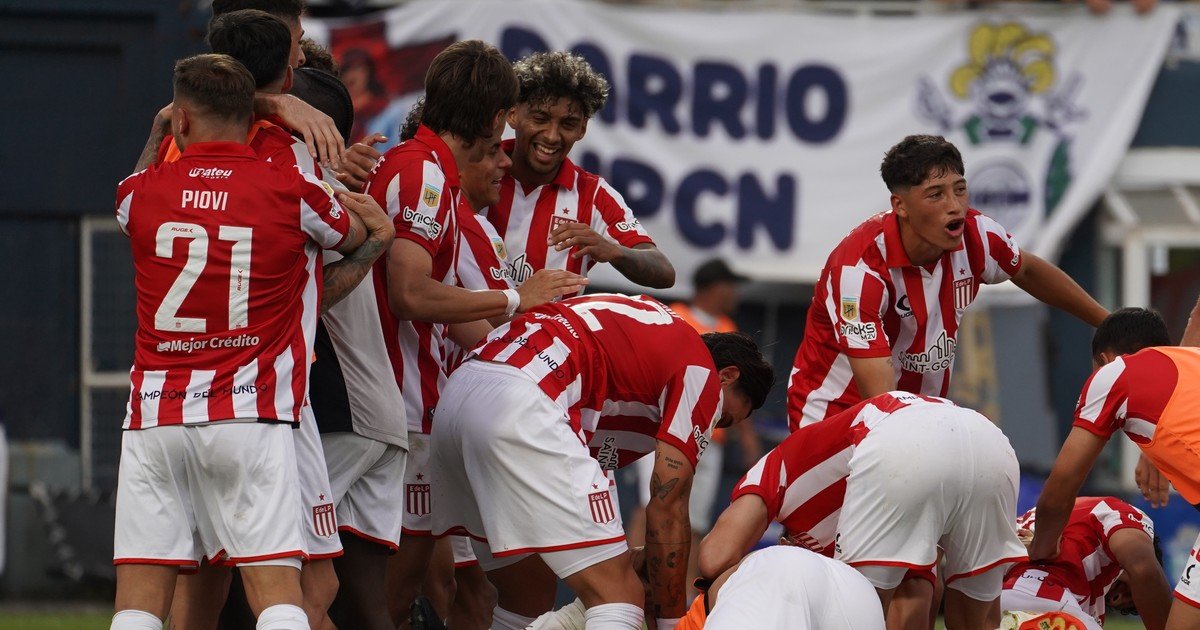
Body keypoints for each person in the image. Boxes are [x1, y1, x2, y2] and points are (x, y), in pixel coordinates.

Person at [109, 53, 375, 630]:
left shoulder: (140, 193)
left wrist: (160, 129)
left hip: (155, 418)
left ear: (180, 121)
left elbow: (130, 196)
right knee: (278, 597)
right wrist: (377, 238)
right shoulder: (289, 191)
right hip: (250, 417)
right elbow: (356, 232)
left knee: (137, 607)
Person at [360, 40, 587, 627]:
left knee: (429, 588)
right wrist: (518, 297)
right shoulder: (425, 175)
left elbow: (457, 319)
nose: (508, 151)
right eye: (512, 117)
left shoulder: (424, 170)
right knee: (390, 590)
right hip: (400, 408)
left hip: (419, 408)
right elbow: (409, 295)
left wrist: (515, 376)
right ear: (494, 117)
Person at [430, 293, 775, 630]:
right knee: (620, 597)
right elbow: (668, 507)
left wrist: (635, 558)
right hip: (528, 401)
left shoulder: (645, 336)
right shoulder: (701, 371)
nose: (712, 425)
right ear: (727, 377)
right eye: (722, 418)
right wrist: (673, 621)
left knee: (526, 600)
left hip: (462, 394)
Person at [786, 134, 1108, 432]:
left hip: (916, 417)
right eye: (935, 195)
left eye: (960, 189)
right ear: (900, 206)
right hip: (833, 420)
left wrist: (1107, 324)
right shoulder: (858, 271)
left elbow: (1028, 272)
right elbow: (880, 399)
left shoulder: (978, 235)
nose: (954, 206)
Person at [699, 391, 1027, 629]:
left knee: (855, 611)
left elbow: (713, 558)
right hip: (990, 440)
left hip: (902, 442)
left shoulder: (782, 464)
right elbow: (915, 605)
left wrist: (757, 572)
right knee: (978, 622)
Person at [1029, 305, 1200, 630]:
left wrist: (1041, 551)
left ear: (1106, 360)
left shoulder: (1114, 373)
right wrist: (1154, 452)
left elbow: (1061, 486)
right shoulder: (1191, 362)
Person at [485, 51, 674, 293]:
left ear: (582, 129)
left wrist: (613, 250)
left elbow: (664, 271)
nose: (552, 136)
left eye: (568, 124)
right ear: (513, 114)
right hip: (465, 329)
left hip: (551, 332)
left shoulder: (592, 194)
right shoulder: (477, 168)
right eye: (540, 118)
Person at [629, 258, 761, 599]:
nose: (734, 292)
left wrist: (746, 438)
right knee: (653, 504)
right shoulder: (677, 317)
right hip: (666, 432)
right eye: (730, 284)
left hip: (711, 441)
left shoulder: (730, 327)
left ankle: (683, 595)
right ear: (714, 287)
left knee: (696, 519)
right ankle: (630, 582)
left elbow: (738, 390)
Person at [1002, 497, 1172, 630]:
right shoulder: (1117, 513)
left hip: (990, 607)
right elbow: (1144, 569)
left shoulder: (1028, 522)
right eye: (1130, 592)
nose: (1116, 597)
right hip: (1050, 601)